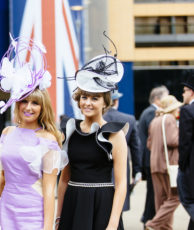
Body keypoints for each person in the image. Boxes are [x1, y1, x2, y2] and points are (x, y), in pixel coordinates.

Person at [0, 35, 68, 230]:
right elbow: (3, 179)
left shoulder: (49, 141)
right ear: (17, 102)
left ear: (43, 107)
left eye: (35, 103)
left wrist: (48, 228)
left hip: (34, 214)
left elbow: (49, 189)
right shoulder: (8, 132)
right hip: (7, 209)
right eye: (24, 101)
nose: (28, 107)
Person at [57, 52, 128, 230]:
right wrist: (58, 217)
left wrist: (112, 224)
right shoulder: (70, 130)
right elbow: (64, 179)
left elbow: (121, 185)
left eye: (94, 98)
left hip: (102, 205)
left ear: (105, 103)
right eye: (84, 97)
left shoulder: (114, 134)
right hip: (73, 204)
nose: (87, 103)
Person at [145, 95, 182, 230]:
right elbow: (173, 140)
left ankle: (165, 228)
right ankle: (153, 224)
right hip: (168, 164)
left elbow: (149, 144)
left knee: (160, 199)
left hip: (155, 164)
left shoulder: (155, 121)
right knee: (175, 197)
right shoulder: (170, 119)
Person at [103, 89, 142, 211]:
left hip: (98, 171)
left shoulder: (95, 120)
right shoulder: (129, 119)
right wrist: (137, 171)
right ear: (116, 101)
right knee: (118, 209)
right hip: (121, 169)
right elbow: (136, 148)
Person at [139, 85, 169, 226]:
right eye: (165, 97)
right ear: (157, 99)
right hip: (152, 159)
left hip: (150, 159)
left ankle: (148, 219)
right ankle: (149, 220)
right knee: (154, 193)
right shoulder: (152, 113)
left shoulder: (148, 112)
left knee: (153, 193)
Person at [178, 75, 194, 229]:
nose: (183, 94)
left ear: (192, 92)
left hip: (190, 169)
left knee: (187, 200)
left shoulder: (188, 111)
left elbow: (184, 143)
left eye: (184, 91)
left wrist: (181, 166)